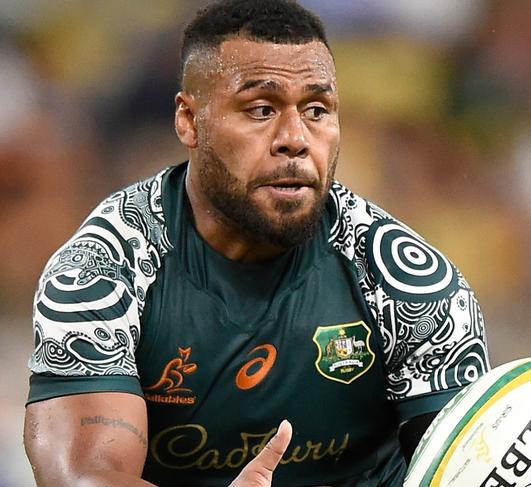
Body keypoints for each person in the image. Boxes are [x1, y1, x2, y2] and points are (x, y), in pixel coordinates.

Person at [23, 1, 490, 486]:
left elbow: (467, 467)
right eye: (261, 109)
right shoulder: (103, 269)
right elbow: (85, 479)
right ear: (189, 120)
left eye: (316, 110)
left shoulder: (407, 284)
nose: (295, 138)